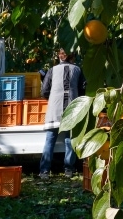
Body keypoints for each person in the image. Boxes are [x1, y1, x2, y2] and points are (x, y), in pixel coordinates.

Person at [39, 49, 85, 177]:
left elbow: (44, 91)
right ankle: (69, 170)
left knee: (50, 140)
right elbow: (83, 90)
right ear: (72, 57)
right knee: (69, 141)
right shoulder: (77, 70)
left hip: (54, 109)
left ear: (59, 56)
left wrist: (53, 98)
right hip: (72, 110)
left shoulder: (52, 70)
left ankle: (44, 171)